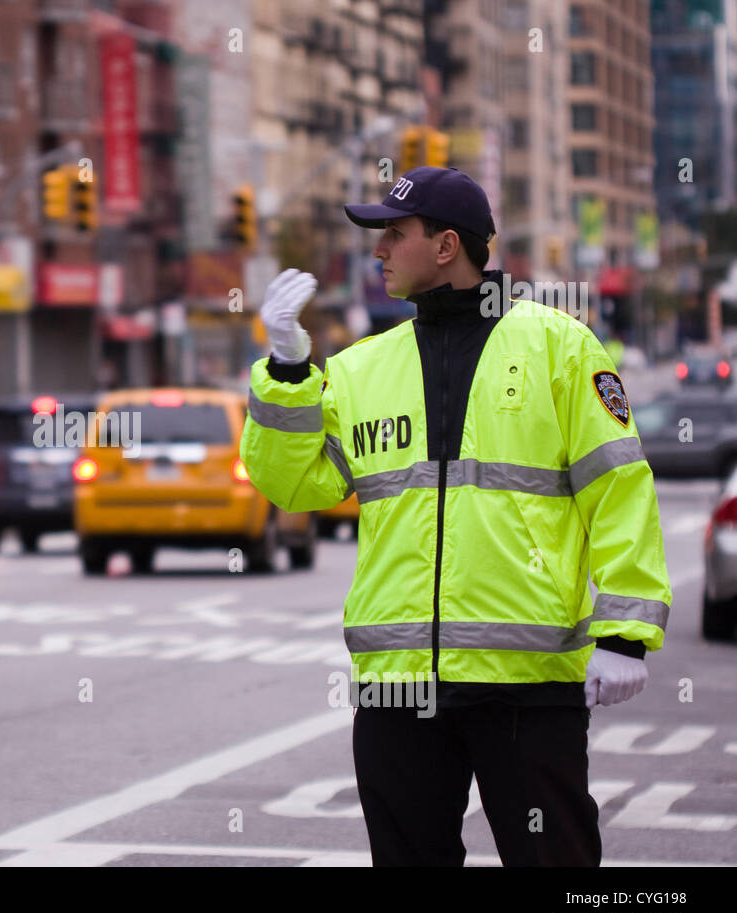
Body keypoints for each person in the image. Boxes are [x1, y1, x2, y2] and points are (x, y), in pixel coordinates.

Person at [240, 166, 671, 867]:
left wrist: (625, 630)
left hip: (526, 684)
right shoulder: (359, 369)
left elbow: (619, 487)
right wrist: (289, 371)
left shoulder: (559, 348)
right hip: (399, 685)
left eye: (394, 234)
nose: (378, 251)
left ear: (447, 247)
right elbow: (296, 486)